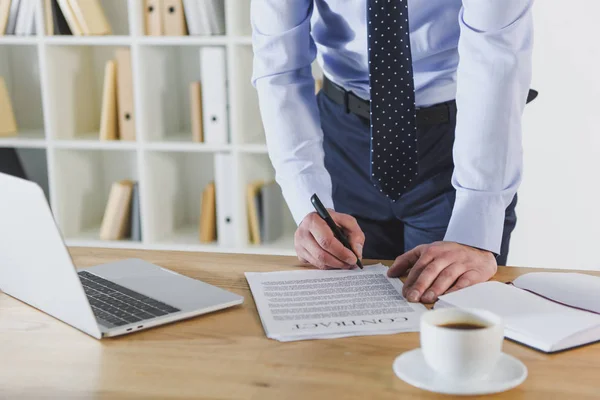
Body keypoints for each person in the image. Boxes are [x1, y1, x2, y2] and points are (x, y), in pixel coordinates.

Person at [250, 0, 534, 303]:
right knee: (347, 326)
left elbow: (496, 61)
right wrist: (308, 199)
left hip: (456, 145)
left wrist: (475, 233)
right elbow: (279, 67)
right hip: (343, 143)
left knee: (452, 318)